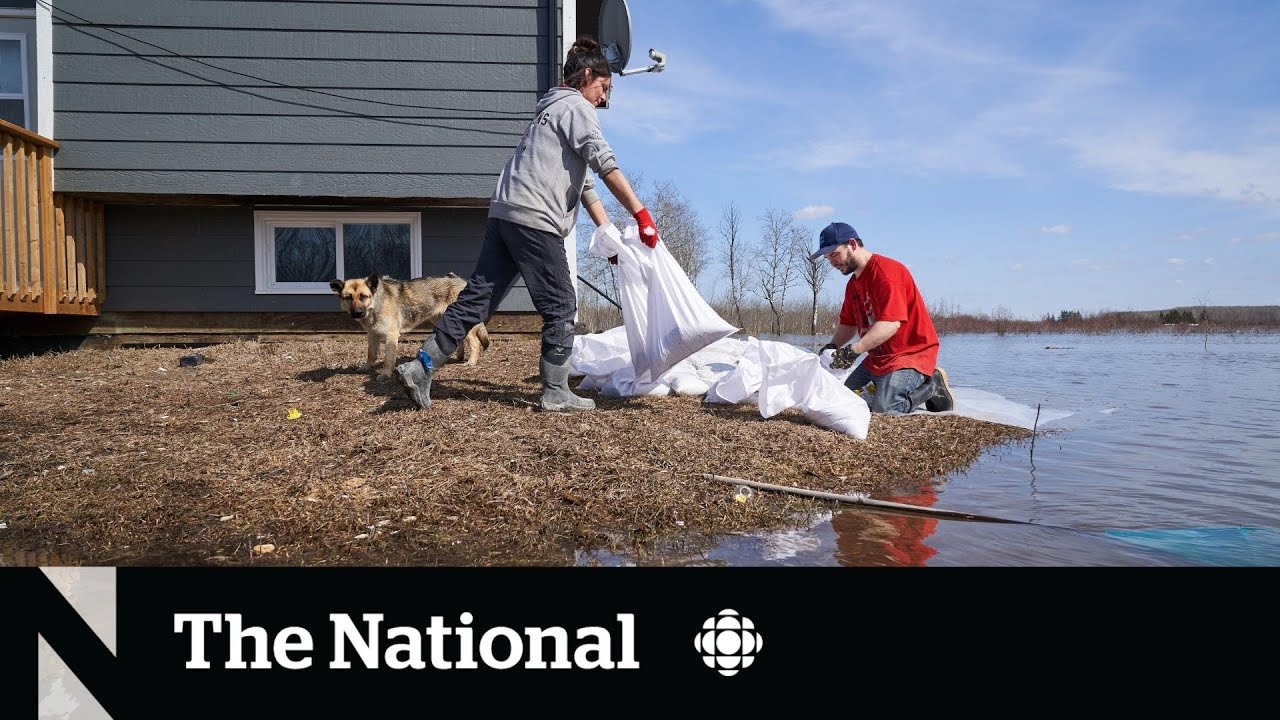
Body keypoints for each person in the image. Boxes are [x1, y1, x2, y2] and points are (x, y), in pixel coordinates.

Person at [395, 36, 659, 412]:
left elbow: (584, 182)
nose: (604, 98)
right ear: (588, 76)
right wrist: (641, 214)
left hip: (505, 212)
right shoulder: (577, 107)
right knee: (561, 303)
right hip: (534, 217)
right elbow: (605, 163)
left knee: (477, 299)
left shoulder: (548, 112)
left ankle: (420, 366)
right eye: (604, 87)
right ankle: (555, 391)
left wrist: (607, 233)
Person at [813, 222, 954, 414]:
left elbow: (890, 324)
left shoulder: (887, 273)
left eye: (835, 254)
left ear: (852, 244)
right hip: (877, 359)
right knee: (843, 401)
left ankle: (931, 386)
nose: (832, 263)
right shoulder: (853, 285)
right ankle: (885, 389)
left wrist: (854, 351)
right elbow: (848, 323)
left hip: (910, 356)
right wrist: (833, 346)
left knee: (885, 410)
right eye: (828, 258)